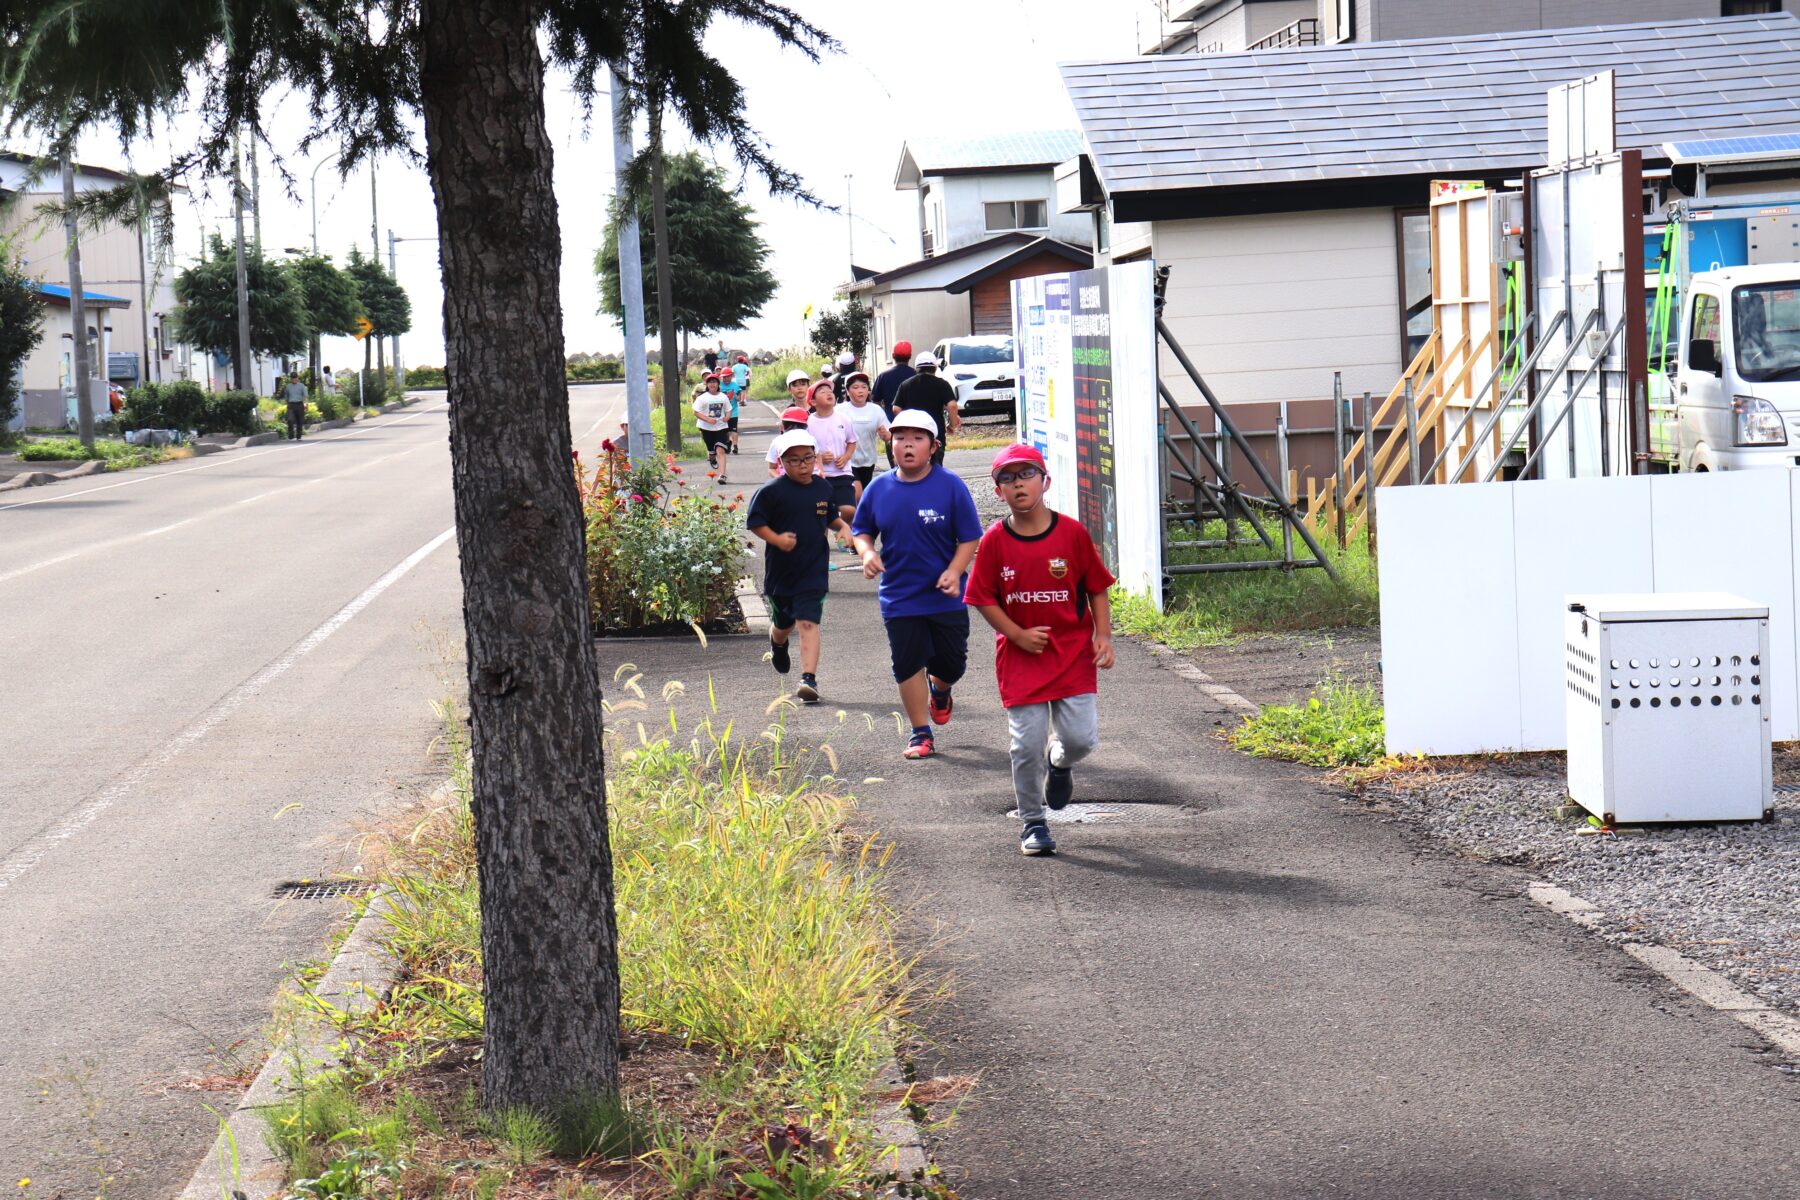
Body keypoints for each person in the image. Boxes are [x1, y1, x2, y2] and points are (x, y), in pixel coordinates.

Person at [963, 444, 1116, 856]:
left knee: (1081, 740)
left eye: (1026, 474)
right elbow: (981, 598)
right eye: (1007, 479)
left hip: (1072, 655)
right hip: (1020, 659)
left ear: (1044, 481)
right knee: (1024, 744)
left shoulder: (1072, 533)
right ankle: (1033, 822)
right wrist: (1016, 634)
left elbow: (1096, 586)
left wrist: (1103, 634)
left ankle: (1060, 761)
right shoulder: (994, 541)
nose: (1018, 484)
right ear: (998, 492)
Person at [851, 409, 983, 760]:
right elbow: (861, 530)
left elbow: (969, 537)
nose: (907, 444)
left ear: (933, 446)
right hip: (899, 596)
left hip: (946, 597)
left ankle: (940, 691)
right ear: (890, 444)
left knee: (951, 665)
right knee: (907, 663)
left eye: (917, 438)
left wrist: (955, 571)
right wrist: (866, 553)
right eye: (900, 438)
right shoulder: (879, 488)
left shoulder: (950, 485)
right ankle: (920, 732)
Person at [747, 429, 844, 705]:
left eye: (807, 458)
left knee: (807, 622)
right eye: (794, 461)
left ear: (815, 458)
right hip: (782, 574)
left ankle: (808, 679)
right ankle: (777, 642)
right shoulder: (771, 492)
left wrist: (843, 529)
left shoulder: (823, 488)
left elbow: (831, 517)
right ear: (781, 462)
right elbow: (755, 523)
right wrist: (776, 539)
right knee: (784, 624)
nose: (802, 465)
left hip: (813, 571)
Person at [805, 379, 858, 551]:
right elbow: (806, 449)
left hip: (843, 472)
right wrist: (819, 457)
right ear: (813, 402)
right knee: (821, 513)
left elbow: (852, 441)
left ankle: (841, 528)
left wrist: (846, 456)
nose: (829, 393)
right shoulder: (809, 423)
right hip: (820, 475)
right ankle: (821, 550)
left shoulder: (844, 418)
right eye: (822, 391)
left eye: (830, 390)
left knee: (849, 509)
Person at [891, 351, 960, 467]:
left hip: (912, 436)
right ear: (935, 367)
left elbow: (896, 408)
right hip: (935, 436)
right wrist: (952, 425)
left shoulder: (906, 384)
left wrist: (909, 422)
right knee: (935, 470)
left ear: (917, 368)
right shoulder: (942, 384)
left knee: (913, 470)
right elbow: (952, 406)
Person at [841, 370, 889, 496]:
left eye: (864, 387)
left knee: (866, 494)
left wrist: (886, 435)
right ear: (847, 391)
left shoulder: (876, 410)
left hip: (868, 460)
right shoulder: (839, 410)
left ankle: (861, 515)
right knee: (857, 493)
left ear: (868, 390)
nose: (860, 390)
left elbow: (889, 435)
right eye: (855, 387)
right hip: (847, 461)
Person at [693, 372, 733, 482]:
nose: (712, 384)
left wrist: (727, 417)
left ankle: (723, 475)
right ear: (707, 385)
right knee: (712, 451)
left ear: (718, 384)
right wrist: (708, 419)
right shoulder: (702, 398)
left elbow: (729, 410)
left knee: (720, 450)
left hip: (721, 427)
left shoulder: (723, 396)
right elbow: (696, 412)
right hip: (706, 428)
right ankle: (711, 456)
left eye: (714, 382)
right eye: (710, 382)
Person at [767, 405, 813, 477]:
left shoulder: (777, 441)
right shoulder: (811, 439)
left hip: (786, 481)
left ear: (782, 425)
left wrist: (781, 481)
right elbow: (819, 465)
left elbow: (771, 468)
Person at [872, 340, 915, 417]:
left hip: (890, 422)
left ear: (893, 355)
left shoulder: (883, 376)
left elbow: (875, 400)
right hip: (914, 422)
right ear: (910, 356)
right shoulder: (916, 375)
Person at [728, 354, 752, 453]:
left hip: (736, 380)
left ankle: (731, 444)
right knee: (742, 391)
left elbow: (732, 372)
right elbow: (749, 372)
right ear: (743, 361)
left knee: (728, 430)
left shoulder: (734, 367)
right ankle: (742, 400)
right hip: (743, 380)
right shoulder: (745, 366)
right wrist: (747, 376)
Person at [281, 373, 309, 440]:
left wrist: (306, 404)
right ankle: (291, 436)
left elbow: (305, 396)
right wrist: (287, 404)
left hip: (299, 404)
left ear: (297, 378)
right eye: (293, 379)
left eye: (295, 378)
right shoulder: (288, 386)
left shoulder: (302, 386)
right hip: (291, 405)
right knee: (290, 420)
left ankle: (298, 436)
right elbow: (286, 396)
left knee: (300, 421)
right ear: (291, 379)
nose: (294, 380)